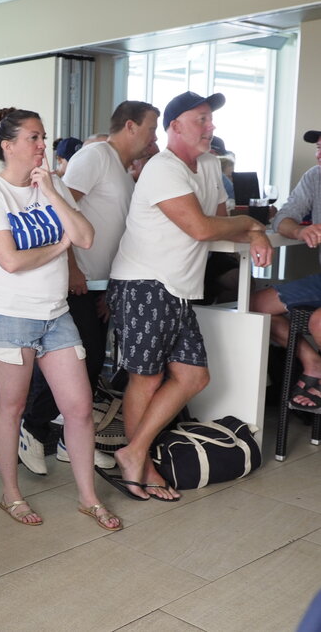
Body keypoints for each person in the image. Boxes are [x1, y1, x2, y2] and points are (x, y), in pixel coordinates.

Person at [104, 91, 273, 501]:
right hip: (144, 283)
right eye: (201, 119)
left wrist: (252, 231)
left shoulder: (211, 165)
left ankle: (134, 451)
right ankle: (142, 465)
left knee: (194, 376)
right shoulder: (162, 169)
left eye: (210, 119)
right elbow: (201, 228)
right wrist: (253, 225)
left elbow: (220, 222)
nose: (210, 126)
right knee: (147, 378)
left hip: (177, 287)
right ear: (175, 126)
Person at [0, 106, 119, 530]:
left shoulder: (53, 186)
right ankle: (11, 494)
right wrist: (58, 247)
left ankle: (88, 498)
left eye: (43, 137)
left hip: (55, 314)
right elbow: (11, 261)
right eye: (33, 138)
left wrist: (53, 193)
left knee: (79, 407)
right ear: (9, 146)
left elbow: (85, 237)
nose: (42, 145)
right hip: (7, 315)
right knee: (12, 406)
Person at [18, 101, 160, 476]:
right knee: (75, 360)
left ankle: (72, 439)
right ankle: (32, 428)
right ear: (130, 126)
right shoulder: (95, 157)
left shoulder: (123, 170)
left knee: (92, 363)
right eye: (151, 128)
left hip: (100, 284)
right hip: (76, 281)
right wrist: (72, 268)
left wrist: (113, 289)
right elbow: (58, 212)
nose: (154, 137)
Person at [249, 128, 321, 409]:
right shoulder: (314, 177)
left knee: (318, 321)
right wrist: (299, 231)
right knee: (254, 306)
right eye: (318, 147)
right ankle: (313, 363)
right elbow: (283, 218)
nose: (319, 154)